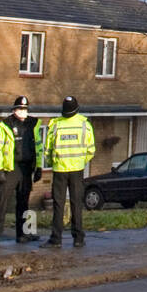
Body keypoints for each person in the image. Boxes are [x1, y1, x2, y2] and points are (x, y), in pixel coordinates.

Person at [0, 96, 44, 246]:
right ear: (14, 110)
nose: (23, 112)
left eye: (25, 109)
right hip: (10, 168)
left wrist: (39, 167)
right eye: (20, 109)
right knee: (1, 201)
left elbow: (38, 147)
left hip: (26, 168)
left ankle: (24, 234)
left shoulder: (33, 124)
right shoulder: (5, 125)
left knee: (24, 203)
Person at [44, 96, 95, 248]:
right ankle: (78, 238)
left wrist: (54, 162)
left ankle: (56, 239)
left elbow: (47, 151)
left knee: (58, 204)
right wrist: (80, 161)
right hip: (77, 170)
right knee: (76, 203)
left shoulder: (55, 125)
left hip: (59, 169)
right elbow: (91, 150)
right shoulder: (85, 125)